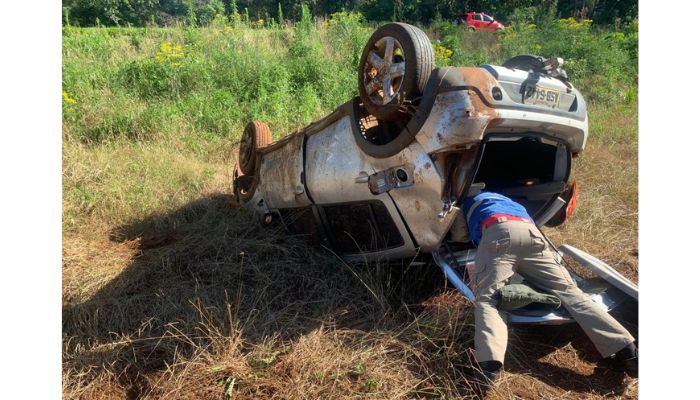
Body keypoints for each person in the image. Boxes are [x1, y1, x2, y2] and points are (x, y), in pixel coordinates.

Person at [462, 191, 638, 393]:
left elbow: (460, 237)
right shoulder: (513, 203)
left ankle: (487, 369)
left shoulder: (467, 201)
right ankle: (628, 352)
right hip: (533, 235)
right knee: (572, 293)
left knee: (488, 299)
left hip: (498, 232)